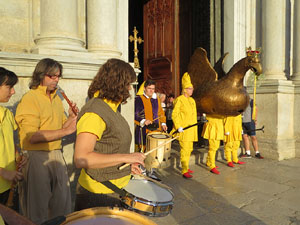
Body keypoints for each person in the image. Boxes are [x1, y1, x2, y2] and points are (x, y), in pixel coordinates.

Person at [74, 58, 145, 210]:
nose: (130, 90)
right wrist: (127, 157)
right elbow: (81, 158)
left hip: (115, 189)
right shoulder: (95, 112)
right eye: (128, 84)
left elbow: (110, 148)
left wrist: (126, 166)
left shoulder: (112, 108)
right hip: (97, 194)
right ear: (117, 83)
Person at [15, 58, 77, 224]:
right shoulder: (30, 98)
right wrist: (65, 131)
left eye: (58, 76)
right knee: (37, 210)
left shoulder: (56, 99)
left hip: (56, 153)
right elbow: (32, 136)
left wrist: (71, 118)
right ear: (41, 75)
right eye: (52, 76)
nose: (56, 80)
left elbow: (61, 127)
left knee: (62, 207)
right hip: (36, 157)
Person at [0, 67, 26, 210]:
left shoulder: (7, 114)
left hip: (8, 187)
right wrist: (3, 172)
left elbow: (10, 143)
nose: (13, 92)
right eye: (9, 87)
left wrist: (18, 156)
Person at [171, 72, 198, 179]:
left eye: (192, 88)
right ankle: (184, 170)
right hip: (184, 130)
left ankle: (185, 165)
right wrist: (178, 126)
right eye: (190, 88)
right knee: (185, 149)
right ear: (185, 89)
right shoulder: (179, 100)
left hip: (192, 129)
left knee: (190, 149)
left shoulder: (192, 100)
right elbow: (175, 114)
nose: (192, 90)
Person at [134, 80, 167, 152]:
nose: (151, 91)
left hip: (156, 131)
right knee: (142, 152)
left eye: (153, 89)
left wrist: (163, 123)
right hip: (143, 131)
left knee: (155, 153)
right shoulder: (138, 99)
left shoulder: (156, 99)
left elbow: (160, 113)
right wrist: (143, 120)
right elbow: (135, 114)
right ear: (144, 88)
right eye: (149, 88)